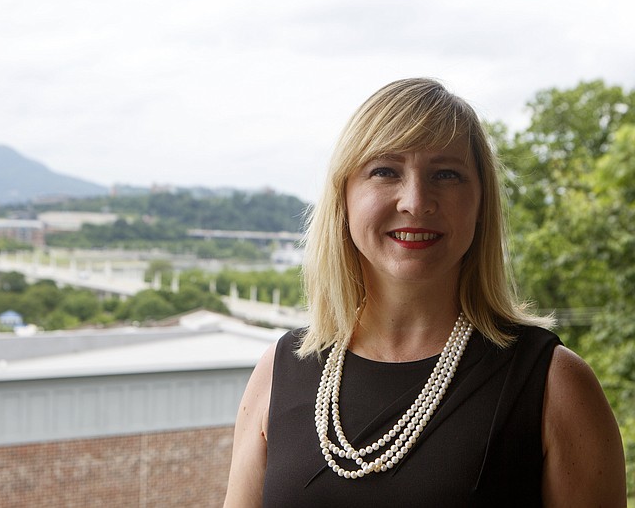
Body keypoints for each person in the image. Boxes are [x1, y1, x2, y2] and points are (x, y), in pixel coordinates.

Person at [223, 78, 627, 507]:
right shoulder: (278, 372)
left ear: (481, 203)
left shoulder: (554, 384)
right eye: (385, 171)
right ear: (344, 196)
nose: (416, 201)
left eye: (446, 174)